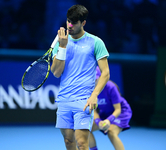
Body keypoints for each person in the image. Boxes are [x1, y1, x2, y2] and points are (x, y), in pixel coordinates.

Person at [51, 4, 110, 150]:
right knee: (68, 142)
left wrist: (94, 95)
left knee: (82, 144)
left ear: (83, 23)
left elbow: (105, 73)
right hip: (64, 99)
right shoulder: (61, 42)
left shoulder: (96, 42)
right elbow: (56, 72)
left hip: (84, 100)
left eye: (74, 22)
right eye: (68, 21)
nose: (69, 25)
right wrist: (63, 47)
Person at [89, 67, 132, 150]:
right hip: (105, 113)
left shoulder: (111, 87)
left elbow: (118, 109)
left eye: (95, 79)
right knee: (85, 129)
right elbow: (93, 109)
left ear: (100, 78)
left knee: (111, 132)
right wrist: (98, 122)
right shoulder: (89, 89)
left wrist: (108, 120)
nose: (93, 82)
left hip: (121, 112)